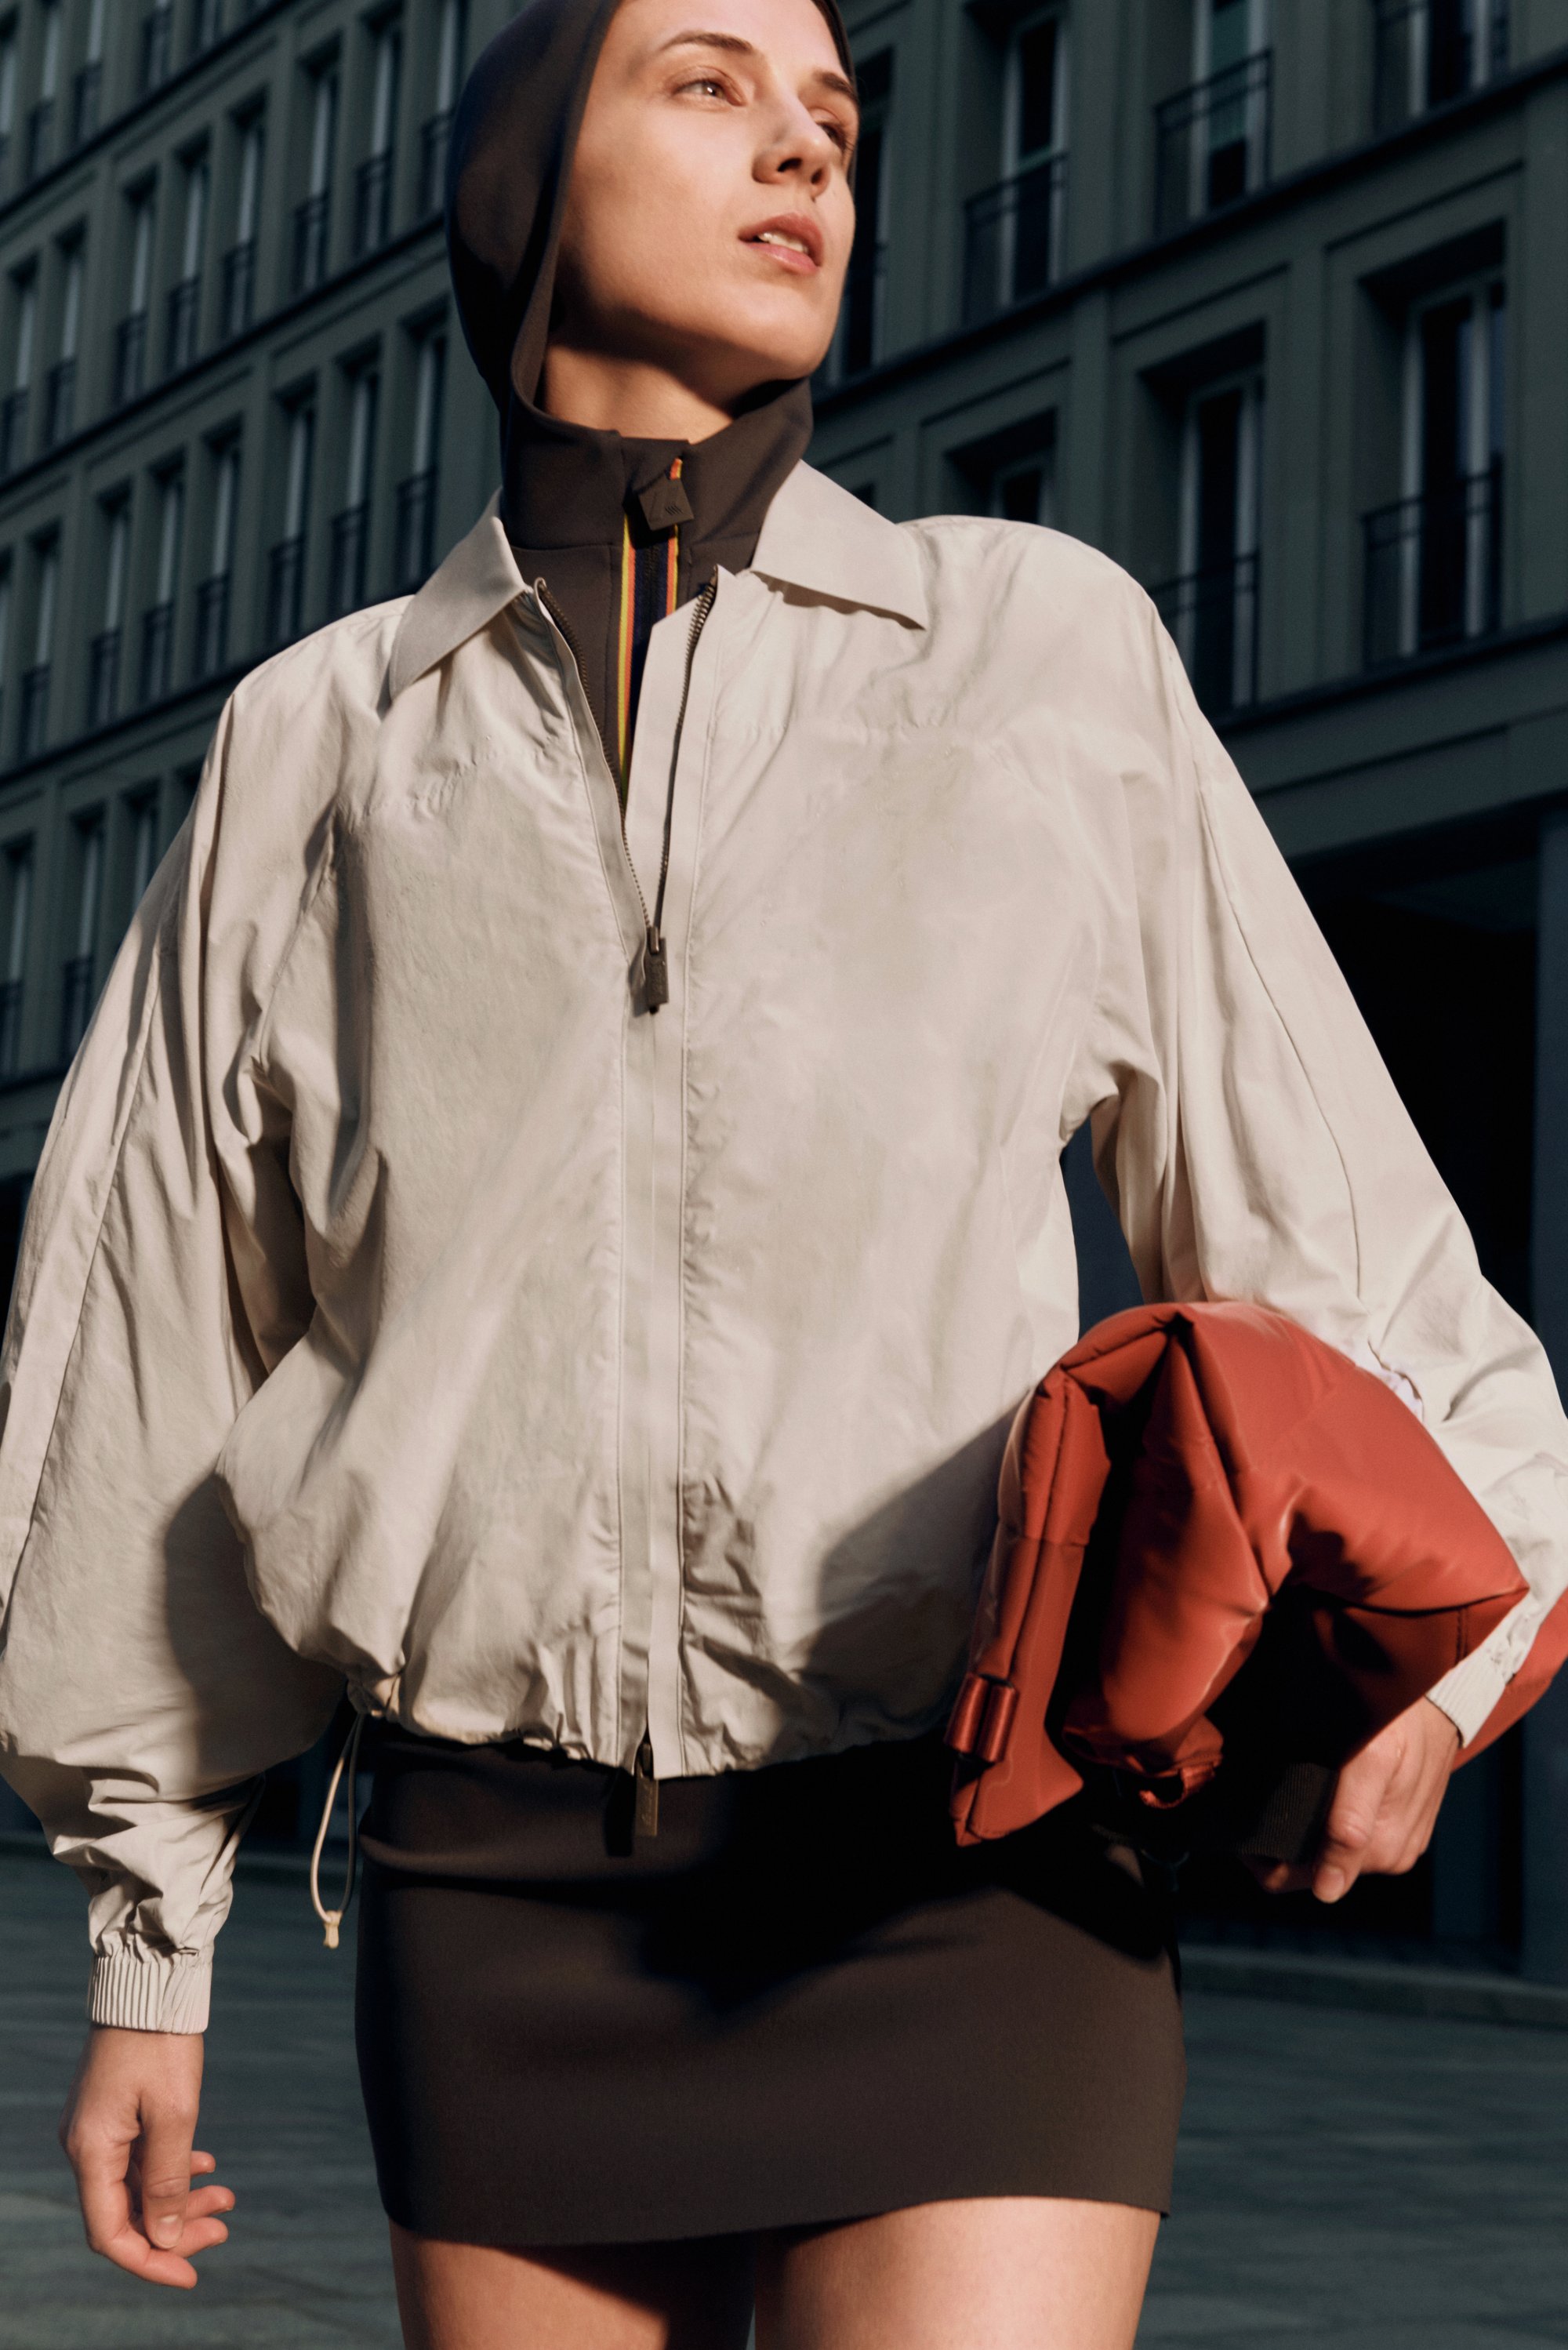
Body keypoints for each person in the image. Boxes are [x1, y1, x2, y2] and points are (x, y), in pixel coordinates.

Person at [2, 0, 1565, 2344]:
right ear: (527, 179)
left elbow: (1323, 1200)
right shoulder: (318, 744)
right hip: (497, 1885)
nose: (801, 153)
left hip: (960, 1870)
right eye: (709, 84)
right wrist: (152, 1941)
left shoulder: (1034, 653)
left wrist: (1470, 1631)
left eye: (835, 115)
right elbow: (152, 1336)